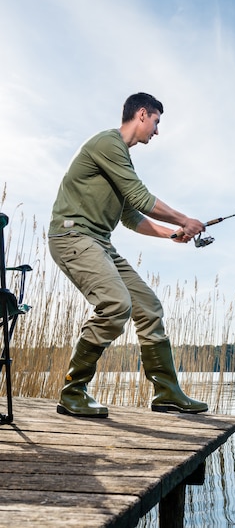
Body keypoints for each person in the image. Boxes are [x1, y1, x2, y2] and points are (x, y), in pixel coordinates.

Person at [48, 92, 208, 418]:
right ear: (142, 115)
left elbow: (130, 216)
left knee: (148, 307)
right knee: (116, 304)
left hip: (100, 242)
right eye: (157, 122)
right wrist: (184, 220)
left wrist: (171, 234)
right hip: (72, 235)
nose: (157, 131)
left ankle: (167, 393)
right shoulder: (108, 144)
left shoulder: (121, 158)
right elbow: (140, 195)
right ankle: (72, 391)